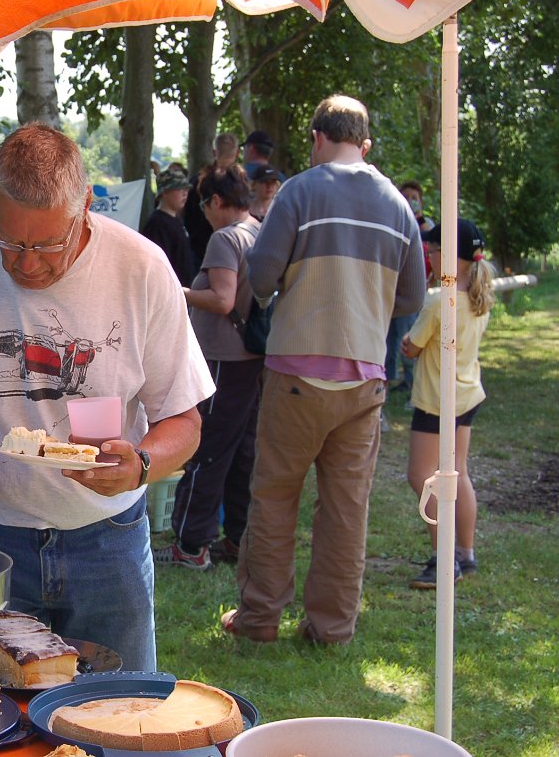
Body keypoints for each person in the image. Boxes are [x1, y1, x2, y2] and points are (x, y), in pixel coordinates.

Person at [0, 123, 213, 671]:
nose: (26, 263)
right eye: (9, 242)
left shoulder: (142, 268)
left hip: (106, 540)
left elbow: (184, 418)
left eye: (47, 245)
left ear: (85, 205)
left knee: (118, 716)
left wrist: (142, 465)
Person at [223, 95, 427, 645]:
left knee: (274, 497)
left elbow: (261, 277)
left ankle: (260, 619)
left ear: (316, 138)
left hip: (295, 374)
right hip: (364, 379)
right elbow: (412, 296)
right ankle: (332, 629)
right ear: (365, 145)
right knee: (345, 510)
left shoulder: (299, 191)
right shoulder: (396, 204)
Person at [155, 165, 263, 570]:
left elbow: (222, 300)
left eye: (203, 203)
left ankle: (190, 543)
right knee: (239, 453)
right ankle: (238, 537)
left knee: (206, 449)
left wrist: (178, 291)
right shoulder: (257, 230)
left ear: (217, 201)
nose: (202, 212)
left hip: (222, 358)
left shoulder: (225, 237)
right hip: (250, 360)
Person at [402, 219, 493, 589]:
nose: (431, 257)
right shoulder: (479, 295)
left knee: (421, 477)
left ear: (452, 258)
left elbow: (411, 346)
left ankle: (445, 559)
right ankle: (465, 554)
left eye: (435, 251)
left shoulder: (441, 299)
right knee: (458, 472)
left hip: (436, 400)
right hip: (467, 394)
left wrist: (410, 339)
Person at [385, 179, 436, 393]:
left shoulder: (428, 226)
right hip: (396, 290)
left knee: (412, 336)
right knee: (393, 337)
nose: (410, 201)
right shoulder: (394, 221)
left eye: (414, 198)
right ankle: (389, 378)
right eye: (405, 197)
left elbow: (435, 252)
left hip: (422, 292)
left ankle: (412, 380)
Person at [184, 133, 240, 266]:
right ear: (237, 153)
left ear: (214, 152)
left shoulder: (199, 181)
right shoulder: (241, 183)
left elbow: (188, 216)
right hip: (232, 248)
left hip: (201, 249)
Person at [141, 166, 196, 286]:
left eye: (186, 189)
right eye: (179, 188)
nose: (185, 193)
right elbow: (156, 268)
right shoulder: (157, 225)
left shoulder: (176, 219)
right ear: (164, 192)